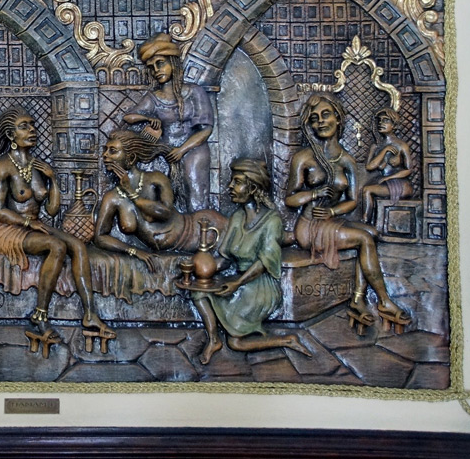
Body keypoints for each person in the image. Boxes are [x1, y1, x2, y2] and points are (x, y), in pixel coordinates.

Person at [0, 107, 113, 337]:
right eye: (24, 126)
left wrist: (52, 179)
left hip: (36, 224)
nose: (32, 130)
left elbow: (51, 209)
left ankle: (90, 314)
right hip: (10, 228)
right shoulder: (3, 167)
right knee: (56, 246)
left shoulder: (38, 166)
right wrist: (27, 223)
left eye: (32, 125)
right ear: (10, 135)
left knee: (78, 246)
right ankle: (40, 315)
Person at [284, 93, 409, 332]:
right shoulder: (304, 158)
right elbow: (290, 198)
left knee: (372, 233)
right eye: (314, 118)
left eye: (326, 114)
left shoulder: (347, 161)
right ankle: (384, 301)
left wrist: (332, 210)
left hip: (331, 219)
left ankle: (358, 298)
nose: (321, 121)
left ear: (338, 119)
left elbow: (351, 201)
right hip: (309, 226)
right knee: (364, 239)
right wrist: (315, 193)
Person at [191, 158, 312, 364]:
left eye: (237, 182)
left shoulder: (271, 221)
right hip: (238, 280)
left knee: (236, 343)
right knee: (198, 292)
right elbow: (225, 259)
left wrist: (237, 283)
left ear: (253, 188)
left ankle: (286, 340)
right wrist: (200, 272)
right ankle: (213, 340)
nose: (230, 187)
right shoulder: (237, 217)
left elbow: (264, 262)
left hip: (260, 286)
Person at [93, 130, 227, 271]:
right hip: (171, 250)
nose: (105, 155)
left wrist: (132, 194)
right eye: (105, 150)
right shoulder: (112, 197)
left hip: (199, 231)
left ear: (131, 158)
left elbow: (165, 213)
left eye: (112, 151)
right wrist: (134, 251)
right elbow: (100, 237)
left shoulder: (156, 179)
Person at [123, 33, 214, 212]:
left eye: (160, 63)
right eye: (152, 67)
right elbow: (129, 117)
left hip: (192, 150)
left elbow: (205, 130)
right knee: (155, 188)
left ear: (173, 63)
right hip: (165, 152)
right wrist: (148, 118)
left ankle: (199, 225)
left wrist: (181, 150)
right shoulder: (154, 97)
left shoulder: (194, 92)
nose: (157, 70)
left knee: (194, 194)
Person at [363, 107, 414, 224]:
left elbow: (408, 170)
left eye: (385, 120)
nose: (381, 123)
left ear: (394, 125)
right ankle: (366, 220)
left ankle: (366, 221)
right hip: (385, 183)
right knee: (366, 189)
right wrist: (384, 150)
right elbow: (369, 167)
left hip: (399, 184)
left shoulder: (401, 145)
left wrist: (388, 178)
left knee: (367, 190)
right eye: (380, 121)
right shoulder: (376, 146)